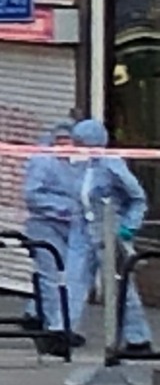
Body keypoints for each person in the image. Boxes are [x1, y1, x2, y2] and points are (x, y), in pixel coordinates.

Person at [65, 118, 153, 354]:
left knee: (120, 286)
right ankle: (64, 330)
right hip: (83, 231)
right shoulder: (80, 166)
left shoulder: (112, 165)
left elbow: (137, 198)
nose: (75, 147)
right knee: (73, 280)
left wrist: (128, 227)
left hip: (109, 232)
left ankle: (138, 338)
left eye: (79, 142)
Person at [20, 121, 81, 341]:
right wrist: (63, 208)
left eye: (69, 140)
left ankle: (36, 312)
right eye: (61, 140)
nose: (65, 145)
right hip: (45, 225)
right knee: (52, 274)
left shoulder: (80, 163)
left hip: (75, 226)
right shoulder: (43, 161)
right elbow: (32, 195)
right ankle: (55, 328)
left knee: (70, 275)